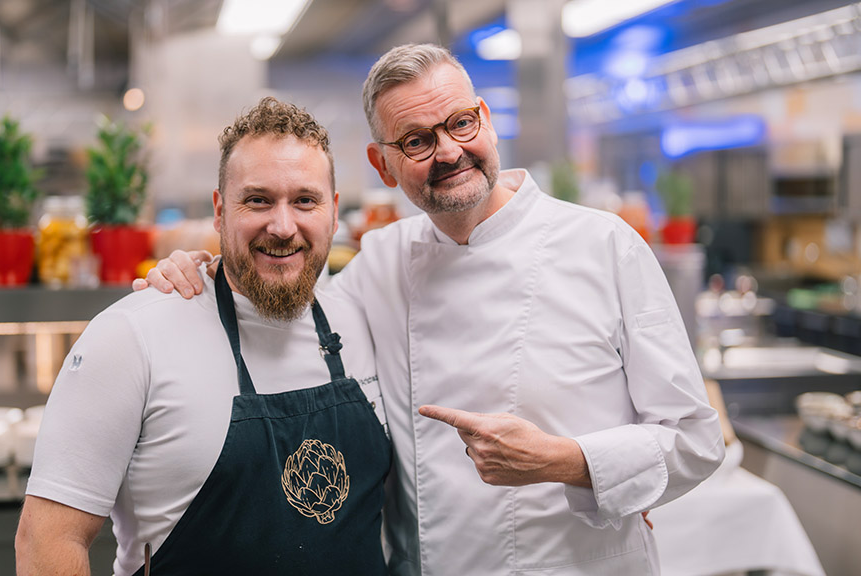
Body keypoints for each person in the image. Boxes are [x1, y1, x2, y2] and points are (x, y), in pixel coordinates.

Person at [138, 44, 725, 575]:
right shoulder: (381, 262)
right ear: (381, 163)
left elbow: (696, 440)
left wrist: (569, 461)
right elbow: (280, 305)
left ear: (486, 120)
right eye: (417, 140)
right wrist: (202, 268)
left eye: (461, 124)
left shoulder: (605, 245)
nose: (449, 151)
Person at [16, 97, 391, 576]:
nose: (282, 226)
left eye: (305, 200)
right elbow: (47, 540)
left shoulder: (361, 320)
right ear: (219, 211)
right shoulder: (132, 336)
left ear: (334, 213)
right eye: (257, 200)